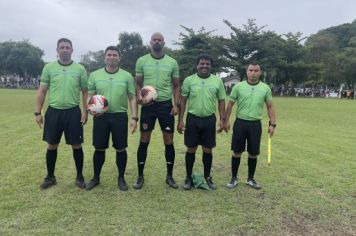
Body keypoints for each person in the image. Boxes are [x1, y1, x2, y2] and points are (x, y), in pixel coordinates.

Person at [35, 38, 88, 190]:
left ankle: (79, 176)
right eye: (62, 47)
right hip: (54, 111)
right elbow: (42, 91)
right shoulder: (49, 68)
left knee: (76, 145)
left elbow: (85, 92)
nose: (65, 49)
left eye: (67, 47)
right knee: (52, 145)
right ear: (57, 50)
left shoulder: (80, 69)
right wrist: (37, 112)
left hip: (73, 112)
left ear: (72, 50)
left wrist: (85, 112)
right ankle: (50, 177)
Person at [85, 46, 137, 191]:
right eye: (109, 55)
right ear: (105, 57)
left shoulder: (127, 76)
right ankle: (96, 178)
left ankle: (121, 178)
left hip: (119, 116)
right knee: (99, 148)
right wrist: (90, 110)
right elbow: (90, 96)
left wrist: (134, 117)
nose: (112, 57)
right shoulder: (95, 75)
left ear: (119, 58)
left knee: (121, 148)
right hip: (101, 117)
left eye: (115, 55)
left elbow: (132, 98)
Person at [133, 32, 180, 189]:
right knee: (144, 140)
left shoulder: (172, 62)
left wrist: (176, 104)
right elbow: (138, 83)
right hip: (148, 106)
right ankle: (140, 176)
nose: (157, 42)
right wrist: (141, 97)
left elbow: (176, 85)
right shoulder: (142, 61)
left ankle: (169, 176)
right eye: (154, 40)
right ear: (150, 42)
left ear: (164, 43)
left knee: (169, 141)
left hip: (165, 105)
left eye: (160, 40)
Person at [224, 63, 276, 190]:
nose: (253, 73)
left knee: (253, 153)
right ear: (247, 72)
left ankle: (250, 179)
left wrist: (273, 124)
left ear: (260, 72)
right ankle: (234, 178)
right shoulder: (239, 87)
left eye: (256, 70)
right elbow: (230, 105)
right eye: (251, 70)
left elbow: (270, 106)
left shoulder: (265, 88)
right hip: (240, 123)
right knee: (237, 151)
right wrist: (225, 121)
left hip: (255, 124)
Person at [177, 54, 226, 190]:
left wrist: (223, 120)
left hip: (209, 119)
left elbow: (221, 101)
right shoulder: (189, 80)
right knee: (191, 148)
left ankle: (207, 177)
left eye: (207, 64)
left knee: (207, 149)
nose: (204, 66)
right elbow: (183, 101)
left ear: (211, 66)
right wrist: (180, 120)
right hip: (192, 119)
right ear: (197, 65)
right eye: (202, 64)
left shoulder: (217, 81)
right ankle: (188, 177)